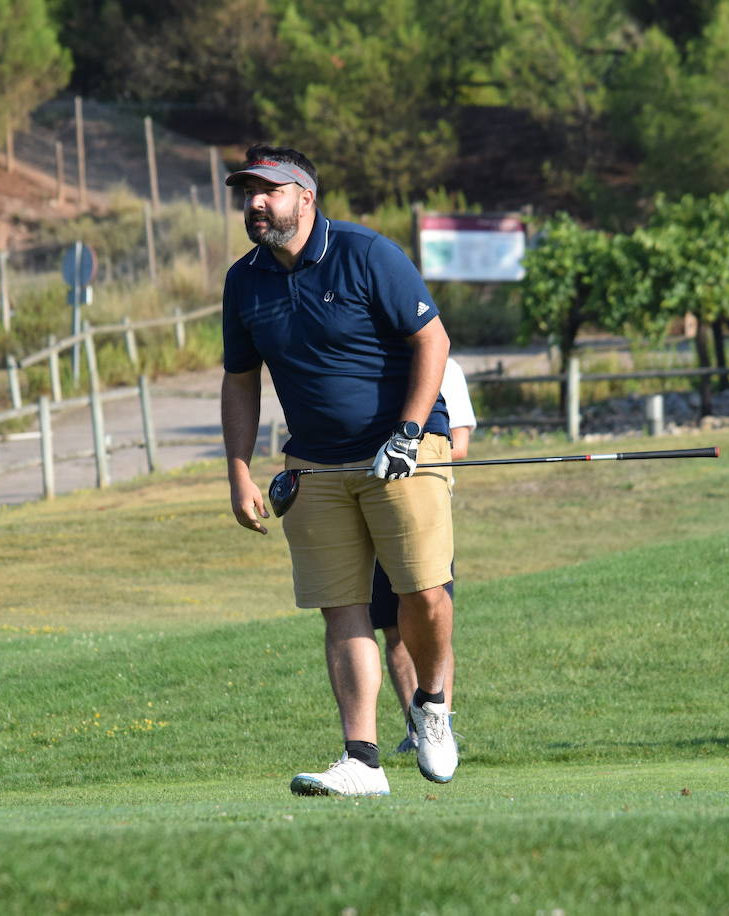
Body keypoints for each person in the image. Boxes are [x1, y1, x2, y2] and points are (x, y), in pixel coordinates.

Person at [220, 145, 458, 798]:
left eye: (268, 190)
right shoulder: (244, 280)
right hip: (316, 464)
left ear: (306, 197)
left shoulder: (366, 253)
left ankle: (432, 706)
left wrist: (410, 431)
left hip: (402, 452)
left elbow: (431, 340)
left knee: (425, 595)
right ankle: (363, 760)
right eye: (248, 193)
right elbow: (241, 380)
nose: (255, 202)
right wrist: (239, 472)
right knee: (342, 609)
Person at [371, 357, 475, 753]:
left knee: (431, 617)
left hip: (424, 504)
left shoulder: (446, 367)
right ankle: (416, 733)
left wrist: (405, 449)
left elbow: (459, 443)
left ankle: (440, 724)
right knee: (392, 629)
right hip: (373, 503)